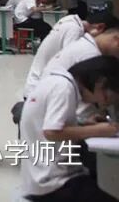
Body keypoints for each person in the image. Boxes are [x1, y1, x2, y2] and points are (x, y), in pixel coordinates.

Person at [19, 56, 119, 201]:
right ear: (100, 83)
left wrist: (83, 124)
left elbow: (50, 125)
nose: (102, 104)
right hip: (52, 183)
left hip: (38, 177)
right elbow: (51, 132)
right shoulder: (64, 88)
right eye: (107, 98)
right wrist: (100, 130)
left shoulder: (56, 82)